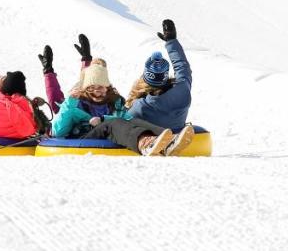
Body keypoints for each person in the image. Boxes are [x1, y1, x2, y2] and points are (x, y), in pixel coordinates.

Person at [51, 56, 178, 156]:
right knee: (112, 123)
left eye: (100, 88)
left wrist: (102, 119)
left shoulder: (115, 101)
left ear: (107, 87)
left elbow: (127, 120)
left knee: (132, 119)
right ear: (86, 88)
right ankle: (144, 143)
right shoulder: (76, 103)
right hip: (84, 138)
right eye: (91, 88)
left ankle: (167, 139)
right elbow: (58, 132)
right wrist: (69, 104)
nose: (96, 92)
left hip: (109, 134)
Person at [125, 18, 196, 155]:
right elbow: (182, 66)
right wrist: (171, 41)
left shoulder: (142, 105)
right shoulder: (183, 89)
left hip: (155, 138)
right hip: (178, 129)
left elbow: (123, 120)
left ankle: (151, 143)